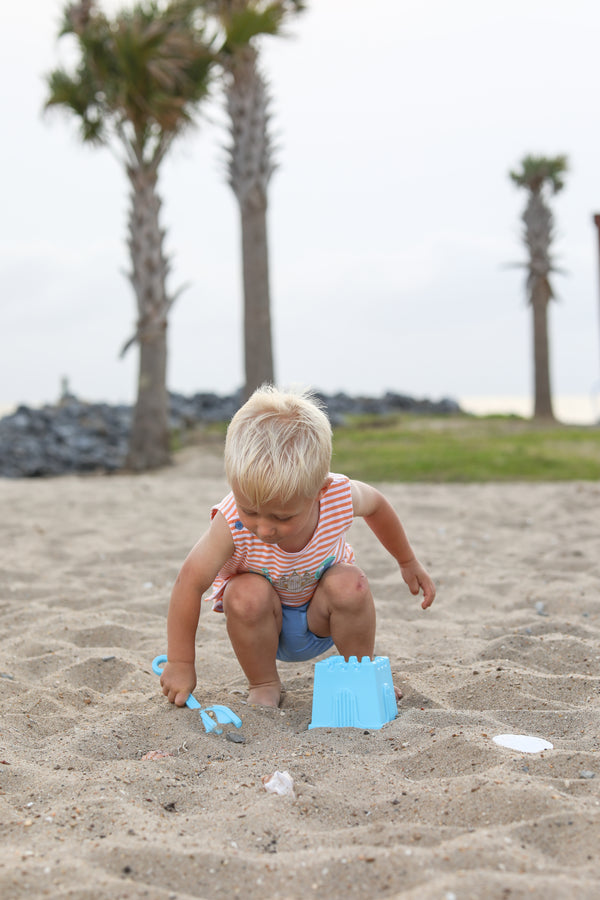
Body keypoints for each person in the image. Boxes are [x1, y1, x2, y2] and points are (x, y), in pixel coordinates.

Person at [160, 385, 436, 709]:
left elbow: (377, 505)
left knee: (351, 582)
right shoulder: (231, 521)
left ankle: (359, 672)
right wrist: (180, 662)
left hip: (324, 616)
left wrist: (407, 561)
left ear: (320, 490)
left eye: (282, 516)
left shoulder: (338, 496)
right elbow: (189, 582)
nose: (263, 528)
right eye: (250, 511)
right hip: (264, 626)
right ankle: (264, 683)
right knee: (244, 592)